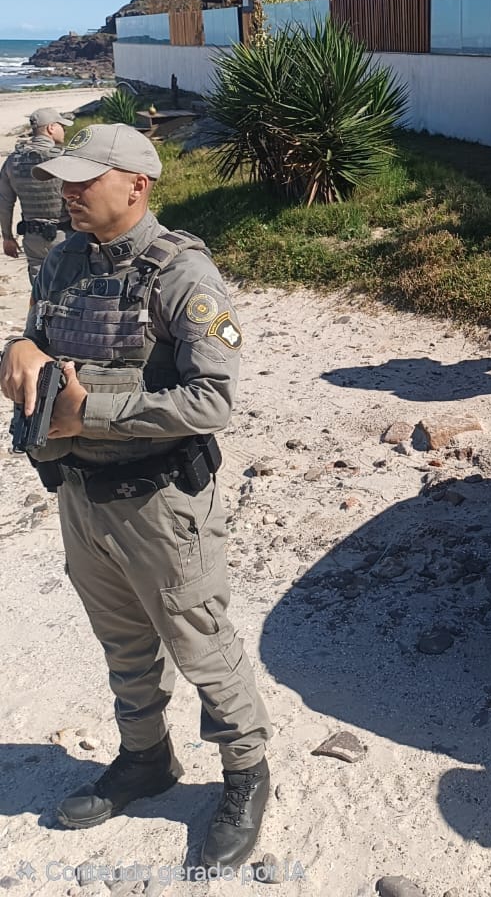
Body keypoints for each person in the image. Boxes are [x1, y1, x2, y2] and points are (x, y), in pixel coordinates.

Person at [0, 125, 271, 871]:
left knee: (201, 646)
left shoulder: (182, 275)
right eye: (67, 178)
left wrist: (94, 412)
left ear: (138, 185)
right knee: (123, 643)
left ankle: (246, 774)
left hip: (163, 503)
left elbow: (213, 400)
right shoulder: (60, 260)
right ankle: (146, 758)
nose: (70, 191)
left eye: (88, 179)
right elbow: (39, 348)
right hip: (81, 496)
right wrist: (14, 351)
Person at [0, 107, 74, 281]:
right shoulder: (64, 159)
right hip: (65, 236)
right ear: (51, 128)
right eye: (62, 126)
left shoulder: (13, 161)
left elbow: (4, 202)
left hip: (32, 238)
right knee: (69, 291)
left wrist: (7, 237)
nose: (64, 130)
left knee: (40, 293)